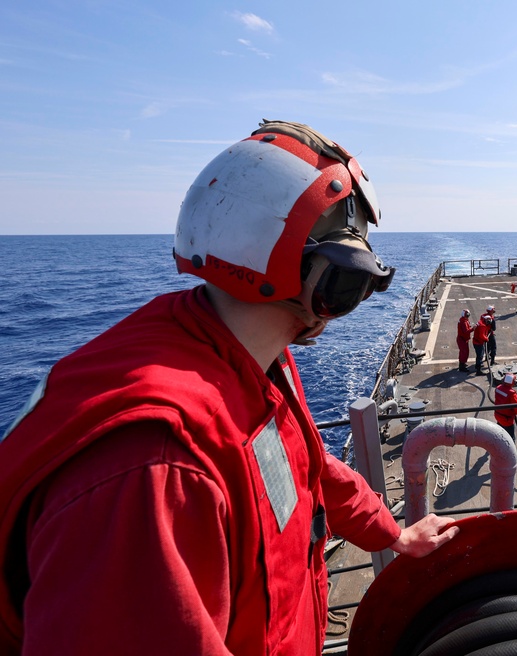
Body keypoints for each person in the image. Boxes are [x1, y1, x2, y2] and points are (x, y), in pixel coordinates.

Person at [0, 120, 458, 655]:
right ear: (326, 280)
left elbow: (309, 466)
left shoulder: (244, 357)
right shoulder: (155, 469)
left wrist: (394, 535)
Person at [493, 373, 517, 439]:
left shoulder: (498, 388)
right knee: (510, 438)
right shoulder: (512, 393)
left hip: (498, 415)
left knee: (500, 433)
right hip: (507, 420)